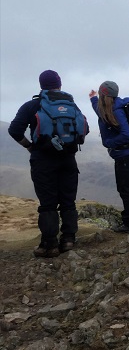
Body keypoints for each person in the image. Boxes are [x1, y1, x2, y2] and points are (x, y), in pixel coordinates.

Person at [8, 70, 86, 257]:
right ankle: (68, 240)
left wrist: (30, 146)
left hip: (43, 160)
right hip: (68, 159)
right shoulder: (71, 105)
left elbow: (14, 130)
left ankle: (49, 245)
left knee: (48, 203)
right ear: (59, 84)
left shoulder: (32, 105)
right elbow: (85, 128)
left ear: (41, 85)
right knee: (68, 200)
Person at [89, 81, 129, 233]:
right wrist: (92, 98)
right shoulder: (107, 109)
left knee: (127, 189)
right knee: (124, 188)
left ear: (104, 96)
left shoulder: (116, 111)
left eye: (99, 95)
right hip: (123, 155)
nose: (98, 97)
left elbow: (126, 134)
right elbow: (98, 110)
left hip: (128, 156)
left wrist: (109, 143)